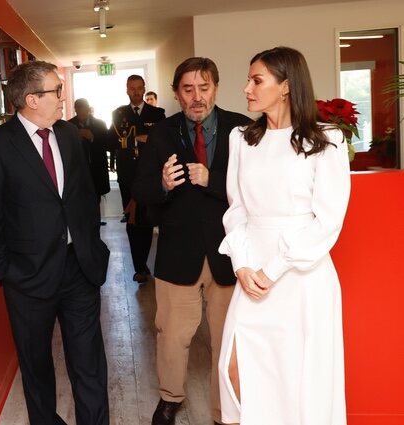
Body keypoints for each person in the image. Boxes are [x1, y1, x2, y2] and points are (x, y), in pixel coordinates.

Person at [217, 46, 350, 425]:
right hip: (251, 272)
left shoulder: (327, 139)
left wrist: (272, 269)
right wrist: (242, 265)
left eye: (257, 80)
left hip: (301, 278)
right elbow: (237, 208)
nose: (246, 88)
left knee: (300, 381)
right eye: (248, 80)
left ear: (287, 86)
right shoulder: (242, 137)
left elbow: (327, 221)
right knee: (235, 369)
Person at [0, 60, 111, 425]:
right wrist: (5, 270)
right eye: (56, 91)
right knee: (36, 368)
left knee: (89, 364)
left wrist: (91, 246)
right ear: (32, 99)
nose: (63, 99)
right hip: (27, 277)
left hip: (78, 267)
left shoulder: (67, 135)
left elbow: (81, 197)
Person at [131, 57, 252, 425]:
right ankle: (170, 398)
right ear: (176, 93)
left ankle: (224, 410)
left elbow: (256, 191)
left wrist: (211, 180)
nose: (197, 97)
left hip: (229, 254)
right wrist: (164, 185)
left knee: (227, 339)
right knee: (171, 334)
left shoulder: (243, 130)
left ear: (216, 87)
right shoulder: (162, 132)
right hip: (177, 251)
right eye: (188, 90)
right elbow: (141, 188)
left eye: (204, 88)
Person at [109, 75, 165, 282]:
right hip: (128, 175)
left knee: (147, 218)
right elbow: (112, 139)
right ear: (127, 89)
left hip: (150, 174)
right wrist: (137, 138)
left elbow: (161, 140)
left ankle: (145, 263)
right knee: (133, 220)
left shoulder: (157, 113)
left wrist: (143, 139)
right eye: (132, 88)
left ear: (144, 89)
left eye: (139, 88)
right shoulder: (119, 113)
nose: (135, 92)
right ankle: (139, 267)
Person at [68, 98, 111, 225]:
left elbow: (107, 144)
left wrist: (92, 137)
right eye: (79, 109)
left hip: (96, 171)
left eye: (84, 109)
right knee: (79, 202)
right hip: (77, 173)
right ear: (75, 110)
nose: (82, 112)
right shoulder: (68, 126)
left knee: (95, 199)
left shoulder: (100, 124)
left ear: (88, 109)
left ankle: (96, 226)